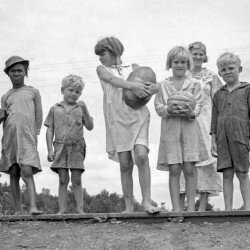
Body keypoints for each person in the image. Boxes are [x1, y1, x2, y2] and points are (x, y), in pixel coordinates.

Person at [95, 36, 160, 214]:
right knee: (125, 163)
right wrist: (133, 86)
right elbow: (113, 80)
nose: (100, 57)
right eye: (99, 54)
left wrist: (155, 88)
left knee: (141, 155)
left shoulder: (134, 68)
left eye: (103, 53)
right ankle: (129, 206)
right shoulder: (102, 69)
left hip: (138, 117)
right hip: (118, 120)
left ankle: (147, 202)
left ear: (114, 50)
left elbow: (152, 85)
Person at [154, 46, 204, 212]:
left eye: (183, 62)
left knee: (189, 168)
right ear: (170, 64)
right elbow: (158, 106)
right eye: (176, 62)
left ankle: (191, 209)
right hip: (170, 130)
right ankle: (176, 209)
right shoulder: (162, 85)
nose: (179, 65)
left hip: (189, 130)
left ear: (188, 64)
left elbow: (198, 107)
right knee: (174, 169)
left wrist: (190, 111)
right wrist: (168, 110)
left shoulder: (195, 85)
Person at [179, 42, 222, 211]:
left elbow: (218, 101)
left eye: (201, 54)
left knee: (207, 162)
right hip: (186, 121)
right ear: (188, 55)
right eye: (194, 53)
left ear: (205, 56)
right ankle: (181, 207)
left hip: (206, 122)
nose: (198, 57)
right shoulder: (183, 74)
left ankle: (202, 208)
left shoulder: (211, 76)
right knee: (184, 162)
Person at [0, 56, 43, 215]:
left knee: (26, 171)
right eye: (13, 71)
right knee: (14, 173)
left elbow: (38, 115)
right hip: (10, 139)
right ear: (8, 74)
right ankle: (18, 210)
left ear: (26, 72)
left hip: (27, 137)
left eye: (20, 70)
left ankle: (33, 207)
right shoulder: (5, 96)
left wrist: (35, 133)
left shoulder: (33, 92)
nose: (16, 73)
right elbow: (4, 116)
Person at [45, 75, 93, 214]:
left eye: (77, 92)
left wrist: (86, 110)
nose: (74, 94)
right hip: (60, 147)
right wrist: (49, 149)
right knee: (62, 179)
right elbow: (50, 129)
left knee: (76, 179)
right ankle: (62, 210)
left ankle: (80, 210)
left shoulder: (81, 108)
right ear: (62, 90)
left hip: (77, 147)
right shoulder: (55, 108)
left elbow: (90, 126)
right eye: (71, 90)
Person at [211, 52, 250, 211]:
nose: (227, 71)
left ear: (239, 69)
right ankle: (227, 210)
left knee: (242, 173)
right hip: (222, 139)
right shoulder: (217, 94)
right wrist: (213, 141)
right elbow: (214, 119)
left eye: (231, 68)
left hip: (241, 137)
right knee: (227, 174)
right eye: (223, 69)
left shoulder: (247, 90)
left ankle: (248, 207)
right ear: (219, 72)